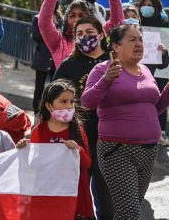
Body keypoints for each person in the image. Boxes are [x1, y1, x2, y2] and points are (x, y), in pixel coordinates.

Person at [81, 24, 169, 219]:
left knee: (130, 208)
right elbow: (87, 102)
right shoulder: (102, 69)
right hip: (117, 151)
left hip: (148, 150)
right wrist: (106, 80)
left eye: (140, 40)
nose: (139, 44)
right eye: (132, 40)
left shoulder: (145, 70)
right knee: (129, 212)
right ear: (116, 47)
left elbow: (154, 109)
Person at [53, 16, 113, 219]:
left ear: (102, 34)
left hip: (109, 135)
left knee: (107, 195)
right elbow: (53, 97)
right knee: (78, 190)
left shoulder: (113, 61)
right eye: (79, 34)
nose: (84, 37)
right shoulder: (69, 65)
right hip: (78, 135)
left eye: (89, 32)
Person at [17, 79, 93, 220]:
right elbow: (33, 165)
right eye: (63, 102)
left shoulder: (77, 131)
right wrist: (24, 148)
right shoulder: (39, 130)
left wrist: (78, 150)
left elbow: (87, 164)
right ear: (48, 105)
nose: (69, 106)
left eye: (71, 102)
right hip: (47, 192)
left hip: (72, 192)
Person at [39, 0, 124, 69]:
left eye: (81, 15)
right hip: (67, 84)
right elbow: (44, 22)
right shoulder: (57, 41)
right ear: (66, 19)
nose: (77, 19)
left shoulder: (100, 35)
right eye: (72, 15)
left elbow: (117, 22)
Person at [137, 0, 169, 147]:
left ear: (156, 8)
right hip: (139, 68)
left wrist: (164, 52)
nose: (147, 8)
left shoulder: (165, 25)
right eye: (144, 5)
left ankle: (161, 133)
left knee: (160, 99)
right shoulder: (135, 25)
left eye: (150, 5)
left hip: (160, 70)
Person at [31, 0, 61, 116]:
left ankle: (52, 112)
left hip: (55, 58)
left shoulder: (60, 18)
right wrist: (49, 32)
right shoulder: (37, 18)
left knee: (55, 86)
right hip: (42, 56)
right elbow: (36, 36)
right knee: (39, 86)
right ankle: (37, 112)